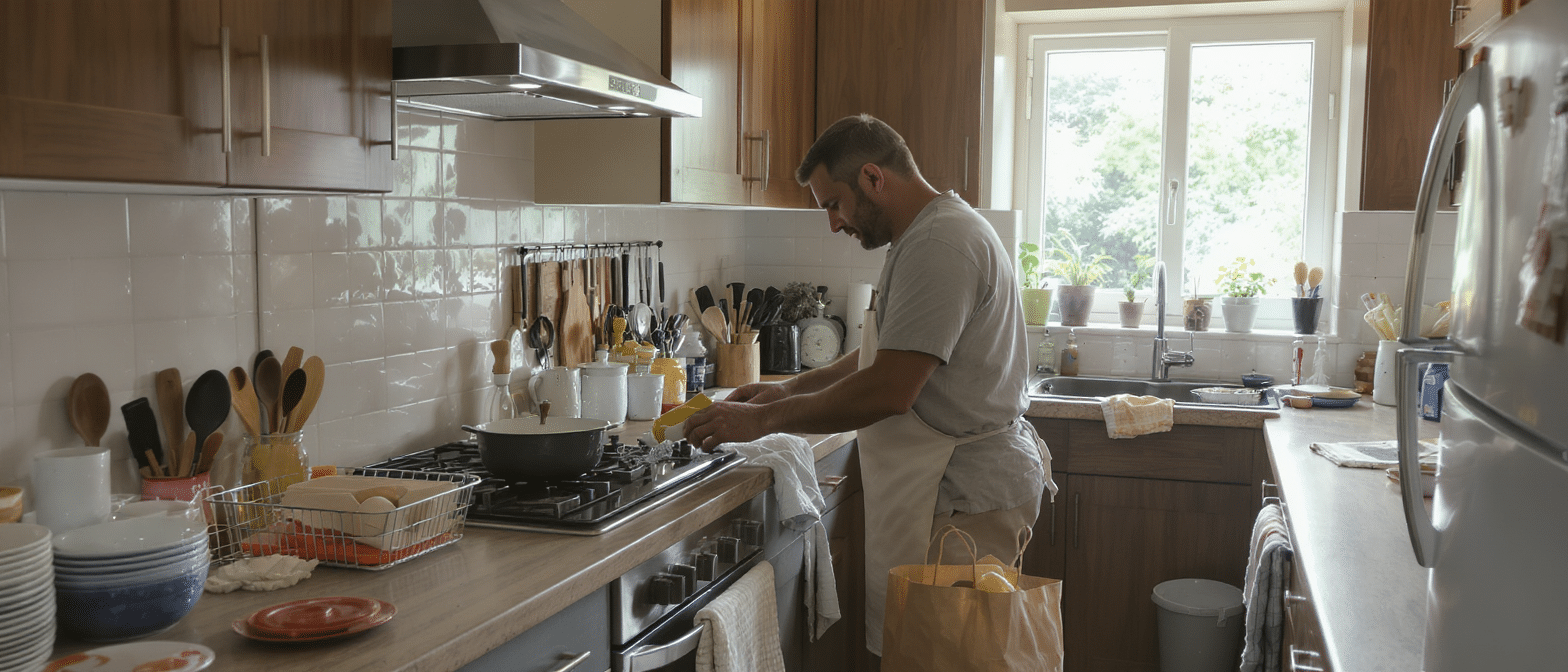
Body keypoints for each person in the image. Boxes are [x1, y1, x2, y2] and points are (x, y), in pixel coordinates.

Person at [683, 114, 1054, 658]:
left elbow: (890, 389)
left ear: (874, 180)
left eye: (833, 203)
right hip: (950, 494)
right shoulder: (925, 233)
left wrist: (763, 420)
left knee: (950, 660)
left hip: (961, 499)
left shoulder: (940, 244)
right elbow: (887, 350)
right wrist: (788, 391)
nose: (833, 223)